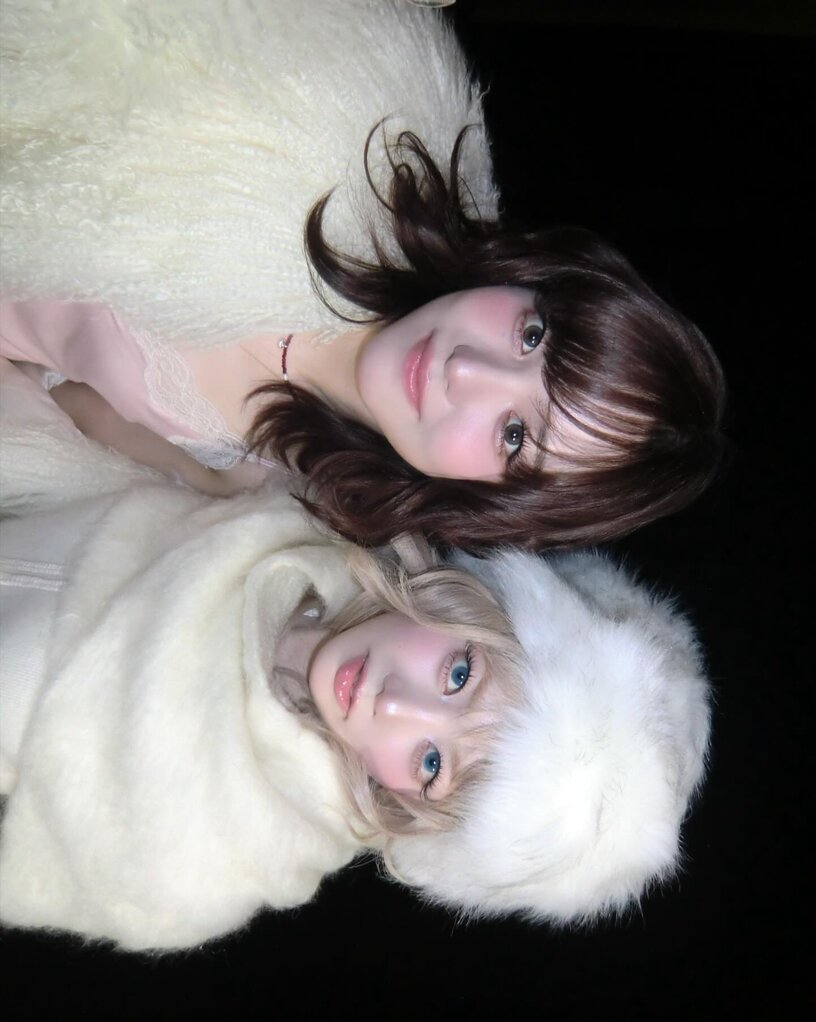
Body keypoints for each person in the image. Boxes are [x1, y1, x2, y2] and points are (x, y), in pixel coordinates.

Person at [0, 375, 711, 950]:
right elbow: (69, 401)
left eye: (431, 763)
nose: (394, 704)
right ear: (479, 600)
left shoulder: (206, 855)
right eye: (458, 676)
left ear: (411, 813)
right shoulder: (300, 499)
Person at [0, 0, 726, 550]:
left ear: (491, 503)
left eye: (514, 436)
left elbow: (41, 405)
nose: (466, 371)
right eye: (532, 337)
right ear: (536, 280)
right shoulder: (358, 127)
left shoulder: (254, 482)